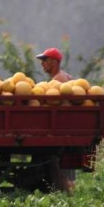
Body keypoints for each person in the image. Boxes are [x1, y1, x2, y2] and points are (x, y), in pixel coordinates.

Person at [35, 47, 75, 192]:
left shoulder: (59, 80)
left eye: (44, 60)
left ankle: (66, 190)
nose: (42, 64)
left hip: (62, 127)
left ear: (53, 61)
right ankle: (64, 189)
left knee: (59, 164)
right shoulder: (63, 77)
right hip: (67, 127)